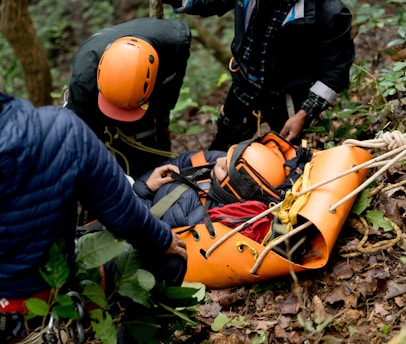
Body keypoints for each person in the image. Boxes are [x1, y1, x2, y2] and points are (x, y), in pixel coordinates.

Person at [0, 92, 187, 342]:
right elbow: (124, 216)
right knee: (170, 260)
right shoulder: (62, 129)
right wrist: (165, 239)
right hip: (43, 302)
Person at [165, 0, 355, 150]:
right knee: (223, 147)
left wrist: (304, 115)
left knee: (282, 158)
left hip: (288, 99)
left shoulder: (329, 11)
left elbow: (336, 69)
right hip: (244, 85)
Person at [66, 17, 191, 179]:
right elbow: (82, 133)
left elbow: (170, 86)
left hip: (153, 87)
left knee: (149, 144)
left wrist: (162, 108)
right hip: (95, 96)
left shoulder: (176, 41)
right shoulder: (84, 78)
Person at [133, 132, 312, 231]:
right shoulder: (225, 164)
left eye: (224, 167)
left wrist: (144, 189)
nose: (218, 161)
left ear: (234, 189)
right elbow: (185, 160)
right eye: (227, 157)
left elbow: (141, 226)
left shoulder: (195, 217)